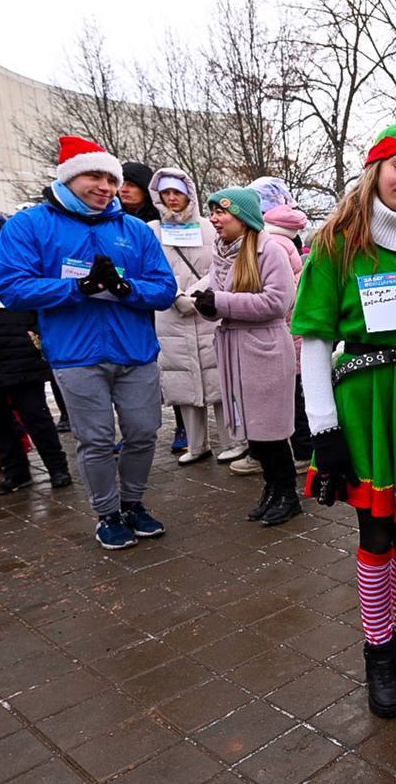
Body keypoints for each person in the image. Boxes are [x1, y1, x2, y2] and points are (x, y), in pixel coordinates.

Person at [291, 120, 396, 719]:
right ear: (375, 173)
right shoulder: (338, 245)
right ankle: (378, 648)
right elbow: (314, 340)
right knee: (376, 531)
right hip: (364, 401)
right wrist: (323, 429)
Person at [0, 136, 176, 549]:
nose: (107, 187)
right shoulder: (30, 225)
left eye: (112, 179)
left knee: (144, 432)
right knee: (94, 439)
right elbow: (12, 287)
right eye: (95, 176)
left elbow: (165, 288)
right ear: (71, 177)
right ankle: (107, 514)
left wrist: (127, 288)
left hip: (136, 351)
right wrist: (77, 288)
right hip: (76, 354)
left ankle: (133, 504)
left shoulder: (134, 229)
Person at [191, 187, 300, 525]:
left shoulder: (270, 250)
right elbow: (216, 297)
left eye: (221, 212)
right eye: (212, 212)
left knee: (271, 429)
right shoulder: (222, 251)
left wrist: (221, 303)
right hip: (234, 349)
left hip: (264, 349)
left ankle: (288, 494)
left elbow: (277, 302)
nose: (214, 219)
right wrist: (206, 305)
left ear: (242, 216)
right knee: (254, 430)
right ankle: (272, 488)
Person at [0, 208, 72, 493]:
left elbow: (35, 301)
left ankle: (57, 468)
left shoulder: (14, 265)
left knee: (36, 416)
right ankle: (15, 471)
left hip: (19, 351)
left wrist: (35, 337)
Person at [229, 176, 312, 476]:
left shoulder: (269, 241)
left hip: (281, 332)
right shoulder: (286, 236)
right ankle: (302, 450)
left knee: (287, 395)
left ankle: (295, 452)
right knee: (294, 393)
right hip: (292, 330)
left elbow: (279, 295)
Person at [146, 168, 222, 466]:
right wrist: (175, 296)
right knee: (184, 382)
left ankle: (233, 441)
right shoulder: (152, 230)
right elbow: (151, 268)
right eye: (166, 193)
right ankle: (197, 443)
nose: (172, 198)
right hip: (171, 313)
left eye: (177, 192)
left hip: (206, 309)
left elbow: (219, 265)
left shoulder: (208, 227)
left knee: (218, 378)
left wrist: (198, 295)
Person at [123, 161, 187, 454]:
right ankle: (133, 427)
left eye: (131, 184)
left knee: (172, 365)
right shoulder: (117, 222)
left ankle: (183, 423)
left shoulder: (154, 226)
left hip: (164, 301)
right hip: (128, 301)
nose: (124, 190)